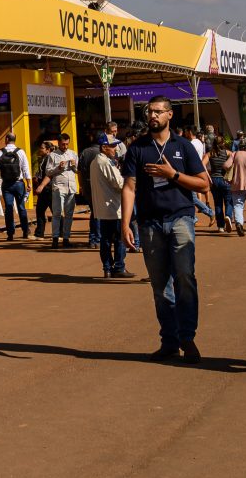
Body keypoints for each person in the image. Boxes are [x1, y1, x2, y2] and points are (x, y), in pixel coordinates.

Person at [120, 95, 208, 362]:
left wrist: (173, 175)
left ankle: (188, 338)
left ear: (170, 115)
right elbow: (130, 187)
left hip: (181, 218)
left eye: (159, 111)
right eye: (150, 112)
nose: (153, 116)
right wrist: (125, 224)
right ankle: (169, 340)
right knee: (160, 285)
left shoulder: (183, 146)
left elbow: (204, 184)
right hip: (150, 223)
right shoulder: (138, 148)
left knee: (184, 277)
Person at [91, 134, 131, 278]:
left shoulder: (96, 162)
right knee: (119, 238)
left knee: (106, 239)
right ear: (104, 147)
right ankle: (119, 267)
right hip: (113, 207)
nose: (115, 148)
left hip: (104, 207)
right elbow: (120, 184)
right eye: (112, 146)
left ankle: (107, 268)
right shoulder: (105, 163)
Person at [0, 133, 31, 240]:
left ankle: (10, 233)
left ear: (7, 139)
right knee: (21, 207)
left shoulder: (0, 152)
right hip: (19, 184)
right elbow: (26, 169)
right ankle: (25, 231)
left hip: (6, 185)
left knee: (9, 208)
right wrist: (29, 183)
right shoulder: (21, 152)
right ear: (15, 140)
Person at [45, 133, 79, 247]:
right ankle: (55, 238)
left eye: (67, 144)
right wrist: (58, 167)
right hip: (59, 187)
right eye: (63, 144)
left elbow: (77, 171)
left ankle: (66, 238)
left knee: (69, 214)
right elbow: (48, 172)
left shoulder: (73, 154)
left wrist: (74, 166)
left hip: (71, 187)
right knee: (57, 213)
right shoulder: (53, 155)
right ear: (59, 143)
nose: (65, 146)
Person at [205, 135, 232, 233]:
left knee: (218, 203)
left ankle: (220, 226)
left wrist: (208, 177)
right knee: (229, 201)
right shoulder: (228, 153)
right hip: (225, 180)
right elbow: (234, 161)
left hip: (214, 180)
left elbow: (201, 164)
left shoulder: (210, 154)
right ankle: (228, 216)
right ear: (223, 143)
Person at [78, 137, 102, 246]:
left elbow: (79, 171)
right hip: (98, 186)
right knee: (98, 213)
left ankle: (93, 238)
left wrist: (81, 186)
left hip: (87, 186)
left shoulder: (84, 152)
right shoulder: (101, 153)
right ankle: (96, 238)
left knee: (94, 212)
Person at [31, 140, 55, 240]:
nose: (40, 150)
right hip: (44, 189)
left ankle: (61, 234)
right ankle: (39, 233)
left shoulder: (50, 159)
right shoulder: (44, 158)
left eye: (42, 148)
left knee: (55, 211)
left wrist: (41, 185)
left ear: (48, 150)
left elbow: (50, 174)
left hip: (49, 189)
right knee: (40, 210)